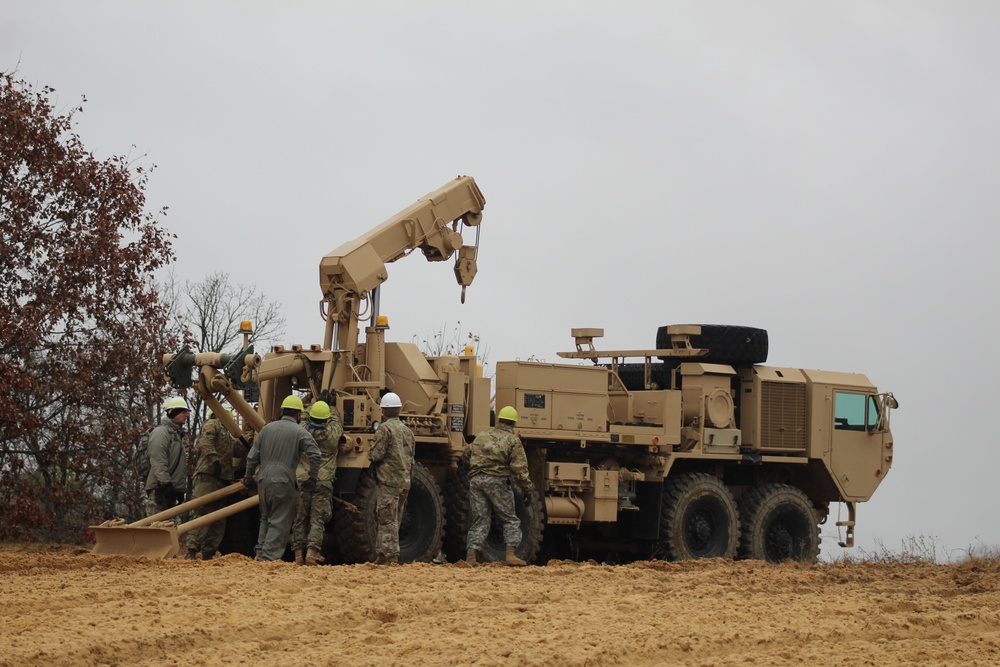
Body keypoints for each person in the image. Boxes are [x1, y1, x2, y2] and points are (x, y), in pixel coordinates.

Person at [243, 395, 321, 562]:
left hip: (263, 479)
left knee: (266, 517)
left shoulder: (266, 429)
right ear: (298, 414)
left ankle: (259, 553)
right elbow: (315, 454)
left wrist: (248, 476)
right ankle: (269, 559)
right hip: (284, 480)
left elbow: (252, 457)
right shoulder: (300, 432)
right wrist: (312, 477)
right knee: (279, 520)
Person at [465, 405, 532, 567]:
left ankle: (471, 557)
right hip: (497, 481)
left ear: (499, 420)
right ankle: (510, 555)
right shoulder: (513, 440)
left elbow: (466, 455)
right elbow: (519, 469)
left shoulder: (482, 435)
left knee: (480, 518)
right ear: (513, 424)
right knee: (509, 518)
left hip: (476, 481)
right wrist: (527, 489)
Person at [291, 400, 345, 566]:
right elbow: (336, 421)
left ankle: (298, 555)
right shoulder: (333, 434)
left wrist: (309, 407)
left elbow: (303, 419)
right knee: (317, 518)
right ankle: (311, 554)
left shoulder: (302, 432)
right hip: (323, 480)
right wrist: (332, 407)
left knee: (300, 517)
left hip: (302, 479)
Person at [367, 392, 414, 565]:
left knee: (386, 519)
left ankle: (392, 556)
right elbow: (411, 458)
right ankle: (381, 555)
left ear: (384, 411)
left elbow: (376, 455)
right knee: (394, 519)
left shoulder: (384, 429)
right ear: (399, 409)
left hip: (388, 481)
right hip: (404, 482)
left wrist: (370, 452)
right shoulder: (408, 431)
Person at [185, 408, 238, 560]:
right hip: (208, 476)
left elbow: (238, 451)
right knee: (203, 512)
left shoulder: (227, 436)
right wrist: (214, 460)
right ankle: (191, 549)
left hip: (222, 479)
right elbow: (206, 442)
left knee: (219, 519)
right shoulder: (212, 424)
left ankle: (209, 550)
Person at [145, 396, 191, 516]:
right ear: (173, 412)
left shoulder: (176, 435)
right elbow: (158, 460)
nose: (186, 415)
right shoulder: (161, 433)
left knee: (171, 530)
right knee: (157, 528)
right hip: (160, 490)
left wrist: (180, 491)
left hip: (171, 491)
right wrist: (166, 484)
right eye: (183, 412)